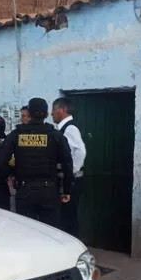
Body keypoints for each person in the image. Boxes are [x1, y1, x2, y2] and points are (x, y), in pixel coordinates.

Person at [0, 98, 74, 227]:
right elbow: (67, 164)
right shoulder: (55, 135)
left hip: (25, 190)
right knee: (50, 234)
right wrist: (66, 190)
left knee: (27, 234)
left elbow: (0, 161)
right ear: (47, 114)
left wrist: (13, 175)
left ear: (29, 113)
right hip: (49, 191)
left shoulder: (16, 135)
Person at [52, 97, 86, 237]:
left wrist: (70, 173)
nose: (51, 113)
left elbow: (80, 151)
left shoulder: (70, 128)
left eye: (54, 110)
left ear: (63, 110)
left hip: (70, 180)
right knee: (66, 216)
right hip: (68, 179)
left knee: (68, 218)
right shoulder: (64, 128)